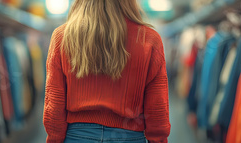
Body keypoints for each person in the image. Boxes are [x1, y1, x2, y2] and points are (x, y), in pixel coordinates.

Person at [43, 0, 170, 142]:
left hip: (77, 136)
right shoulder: (149, 39)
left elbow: (54, 103)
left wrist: (54, 139)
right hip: (128, 136)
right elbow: (157, 109)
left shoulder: (62, 37)